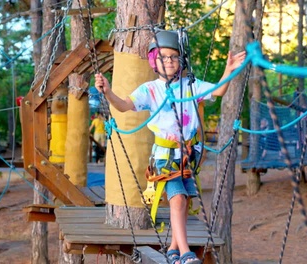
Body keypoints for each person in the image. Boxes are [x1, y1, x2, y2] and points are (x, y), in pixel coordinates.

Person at [94, 30, 246, 264]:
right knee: (177, 199)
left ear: (181, 60)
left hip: (188, 154)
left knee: (184, 202)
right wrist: (108, 91)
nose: (169, 61)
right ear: (155, 60)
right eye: (163, 57)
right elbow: (124, 106)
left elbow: (218, 90)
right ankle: (185, 253)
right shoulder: (150, 89)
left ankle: (173, 248)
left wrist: (230, 70)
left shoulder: (191, 85)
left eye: (174, 57)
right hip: (165, 156)